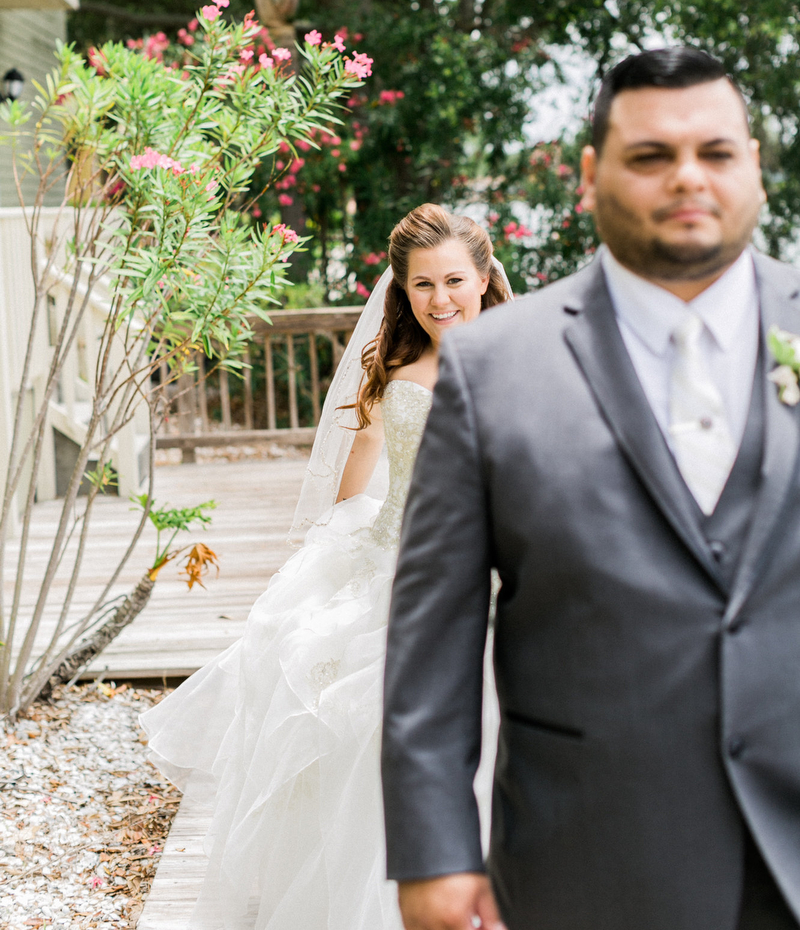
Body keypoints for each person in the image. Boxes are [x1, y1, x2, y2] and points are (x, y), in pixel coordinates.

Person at [382, 47, 800, 930]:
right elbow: (433, 632)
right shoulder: (491, 367)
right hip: (590, 857)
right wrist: (433, 851)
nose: (688, 177)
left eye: (716, 153)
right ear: (590, 175)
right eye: (651, 156)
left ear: (755, 166)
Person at [140, 203, 511, 930]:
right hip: (398, 564)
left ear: (485, 275)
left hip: (493, 569)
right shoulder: (400, 370)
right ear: (401, 292)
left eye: (455, 281)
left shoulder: (525, 360)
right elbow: (361, 473)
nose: (441, 300)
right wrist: (343, 544)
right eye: (422, 286)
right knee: (351, 720)